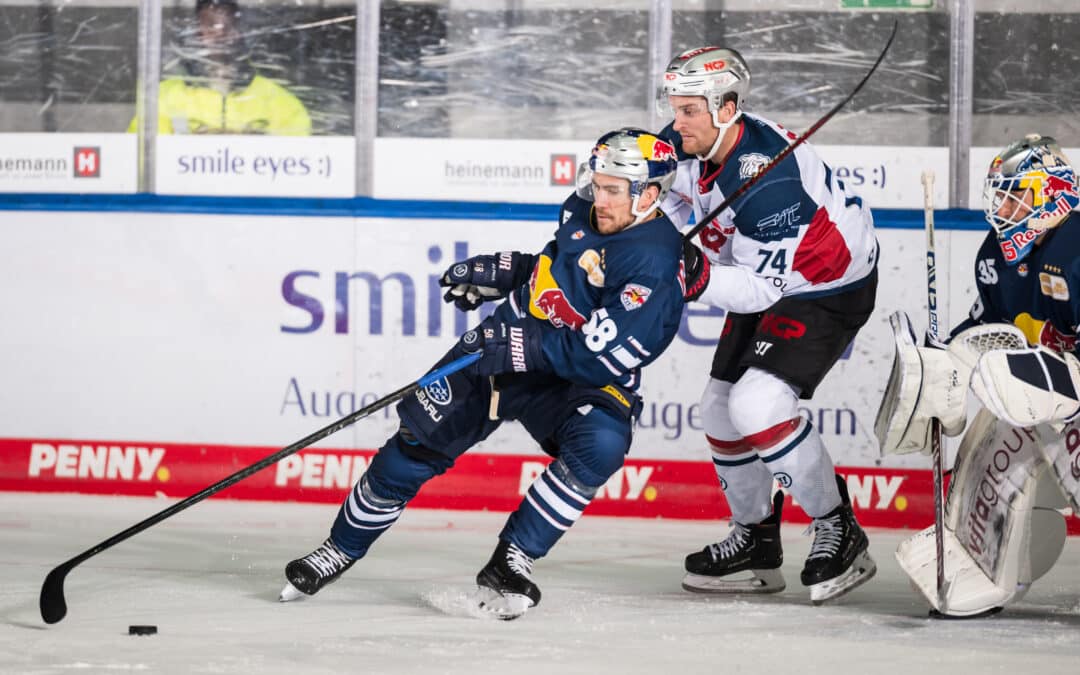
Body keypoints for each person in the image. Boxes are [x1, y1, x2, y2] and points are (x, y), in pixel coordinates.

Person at [279, 128, 686, 619]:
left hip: (582, 378)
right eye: (596, 183)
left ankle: (513, 558)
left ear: (649, 195)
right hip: (508, 346)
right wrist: (511, 271)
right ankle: (339, 549)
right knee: (414, 444)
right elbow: (561, 273)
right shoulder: (584, 209)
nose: (598, 198)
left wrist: (525, 344)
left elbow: (602, 355)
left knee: (600, 445)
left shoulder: (654, 263)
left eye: (612, 190)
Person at [655, 46, 879, 604]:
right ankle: (755, 538)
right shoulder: (692, 140)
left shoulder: (769, 184)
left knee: (757, 405)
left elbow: (758, 289)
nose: (675, 122)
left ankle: (838, 526)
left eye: (689, 111)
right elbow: (672, 201)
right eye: (675, 107)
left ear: (728, 107)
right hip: (762, 271)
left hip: (826, 285)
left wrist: (694, 271)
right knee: (717, 408)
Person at [880, 134, 1080, 617]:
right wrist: (942, 360)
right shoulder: (995, 254)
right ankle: (980, 561)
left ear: (1052, 194)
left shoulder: (1076, 249)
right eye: (1001, 194)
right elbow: (986, 329)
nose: (1004, 207)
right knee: (994, 440)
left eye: (1016, 195)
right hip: (1042, 393)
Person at [127, 0, 310, 135]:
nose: (219, 34)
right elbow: (142, 158)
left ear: (239, 32)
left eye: (228, 26)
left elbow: (297, 162)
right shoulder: (165, 97)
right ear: (196, 33)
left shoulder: (277, 100)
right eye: (210, 26)